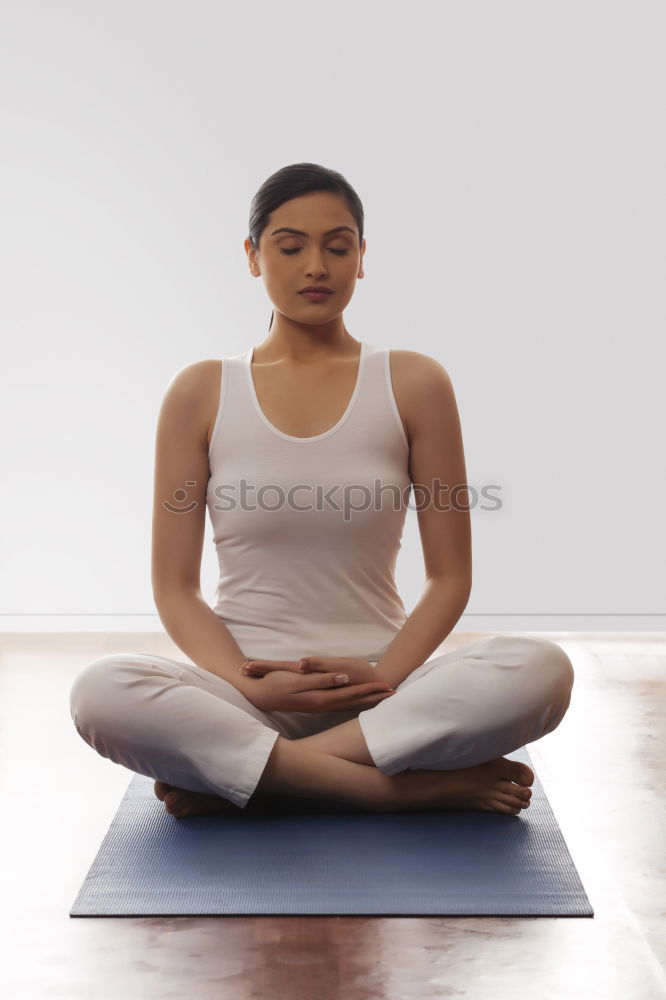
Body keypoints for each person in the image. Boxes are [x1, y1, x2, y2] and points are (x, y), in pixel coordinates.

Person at [69, 162, 574, 820]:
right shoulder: (200, 391)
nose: (316, 265)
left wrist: (389, 674)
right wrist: (246, 682)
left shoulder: (416, 383)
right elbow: (175, 587)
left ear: (362, 259)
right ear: (253, 257)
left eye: (338, 247)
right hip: (244, 692)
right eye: (290, 246)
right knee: (101, 691)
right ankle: (390, 789)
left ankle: (262, 774)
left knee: (541, 669)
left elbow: (451, 577)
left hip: (383, 694)